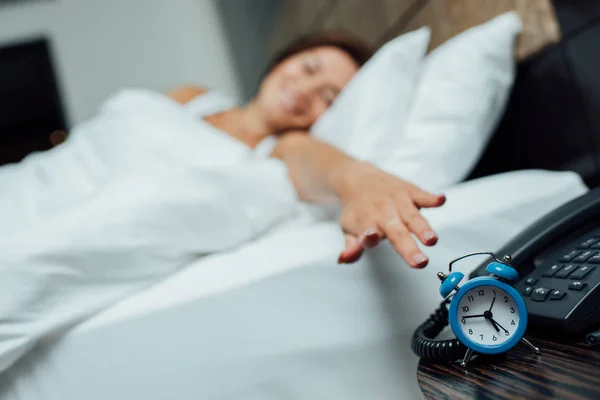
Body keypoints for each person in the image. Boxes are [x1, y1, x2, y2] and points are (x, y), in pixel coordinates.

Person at [168, 33, 446, 268]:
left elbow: (325, 165)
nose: (303, 90)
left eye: (327, 98)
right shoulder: (192, 97)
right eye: (309, 68)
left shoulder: (284, 148)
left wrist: (362, 182)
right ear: (284, 59)